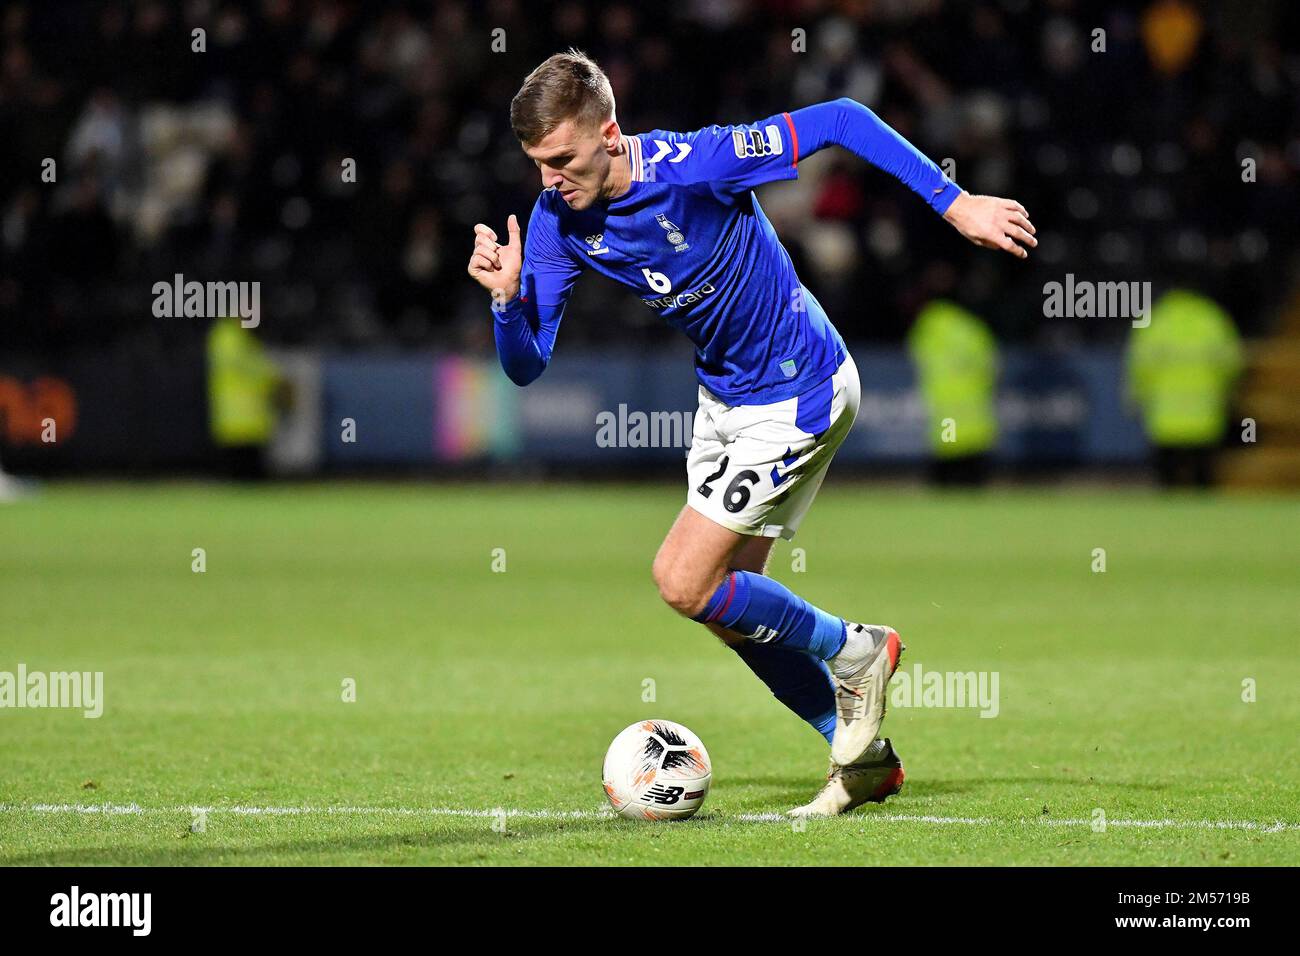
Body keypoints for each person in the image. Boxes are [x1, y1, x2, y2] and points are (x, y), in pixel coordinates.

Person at [467, 50, 1036, 816]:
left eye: (562, 159)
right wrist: (507, 303)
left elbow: (840, 118)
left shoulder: (698, 163)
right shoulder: (556, 222)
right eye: (537, 164)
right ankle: (860, 756)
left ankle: (857, 647)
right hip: (728, 404)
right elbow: (528, 365)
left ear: (609, 133)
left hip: (800, 386)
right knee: (735, 614)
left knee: (681, 579)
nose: (550, 180)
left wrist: (953, 202)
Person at [1127, 289, 1243, 488]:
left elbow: (1139, 366)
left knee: (1167, 484)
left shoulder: (1155, 320)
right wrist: (1226, 393)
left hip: (1164, 421)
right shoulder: (1211, 318)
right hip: (1205, 418)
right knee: (1203, 481)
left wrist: (1135, 398)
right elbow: (1231, 363)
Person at [907, 299, 1000, 486]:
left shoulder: (926, 328)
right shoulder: (975, 329)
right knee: (975, 491)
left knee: (945, 493)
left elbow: (917, 358)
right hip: (976, 426)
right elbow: (992, 369)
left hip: (946, 426)